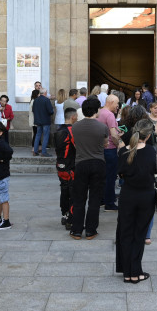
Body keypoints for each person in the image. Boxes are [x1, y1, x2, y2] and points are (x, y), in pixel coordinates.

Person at [115, 118, 157, 284]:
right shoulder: (151, 152)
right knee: (139, 234)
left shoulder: (123, 152)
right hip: (146, 196)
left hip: (128, 195)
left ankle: (127, 272)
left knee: (125, 233)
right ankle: (136, 272)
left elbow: (120, 173)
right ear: (148, 136)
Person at [70, 97, 108, 240]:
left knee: (79, 198)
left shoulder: (75, 127)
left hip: (81, 163)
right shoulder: (102, 127)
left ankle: (76, 230)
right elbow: (105, 144)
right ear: (96, 110)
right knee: (95, 199)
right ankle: (91, 230)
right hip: (98, 163)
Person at [55, 107, 77, 230]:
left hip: (60, 165)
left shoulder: (59, 130)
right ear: (73, 117)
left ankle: (64, 214)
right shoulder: (71, 130)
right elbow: (77, 146)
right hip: (70, 166)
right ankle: (70, 219)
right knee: (72, 193)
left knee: (64, 190)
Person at [98, 94, 121, 211]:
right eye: (117, 104)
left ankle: (102, 199)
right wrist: (118, 145)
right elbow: (113, 135)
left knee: (102, 177)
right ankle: (109, 203)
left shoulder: (100, 112)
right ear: (111, 102)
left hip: (100, 149)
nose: (117, 106)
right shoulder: (110, 115)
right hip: (110, 149)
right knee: (111, 177)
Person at [32, 88, 54, 157]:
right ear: (45, 93)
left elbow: (33, 110)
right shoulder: (46, 100)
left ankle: (35, 151)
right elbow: (51, 111)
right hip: (45, 121)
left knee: (38, 135)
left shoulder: (35, 100)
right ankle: (43, 152)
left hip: (38, 121)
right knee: (45, 136)